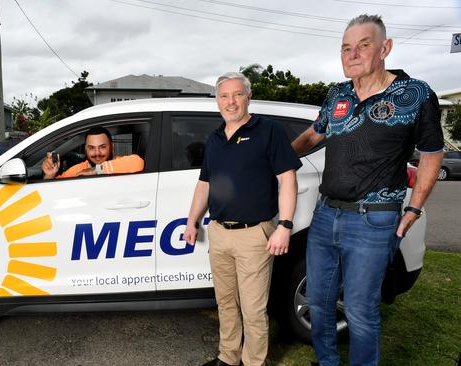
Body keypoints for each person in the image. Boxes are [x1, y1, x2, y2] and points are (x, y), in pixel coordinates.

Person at [291, 14, 444, 366]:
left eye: (363, 45)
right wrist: (275, 159)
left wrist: (413, 210)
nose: (352, 54)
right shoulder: (338, 94)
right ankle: (326, 361)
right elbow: (313, 135)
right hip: (326, 213)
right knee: (318, 300)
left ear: (385, 48)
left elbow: (432, 157)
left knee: (360, 309)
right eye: (346, 47)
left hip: (373, 221)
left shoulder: (414, 94)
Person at [183, 72, 302, 366]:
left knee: (253, 309)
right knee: (225, 303)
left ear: (248, 97)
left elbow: (287, 180)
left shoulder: (268, 131)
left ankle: (254, 363)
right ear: (217, 101)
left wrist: (285, 226)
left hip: (254, 235)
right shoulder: (214, 138)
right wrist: (191, 220)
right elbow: (204, 184)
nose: (230, 101)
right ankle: (228, 357)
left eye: (237, 95)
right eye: (224, 96)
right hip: (220, 233)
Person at [41, 126, 144, 179]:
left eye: (102, 147)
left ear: (112, 147)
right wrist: (50, 175)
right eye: (91, 148)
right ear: (85, 149)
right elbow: (54, 188)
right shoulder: (78, 169)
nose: (97, 153)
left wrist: (96, 170)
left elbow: (138, 163)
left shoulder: (121, 162)